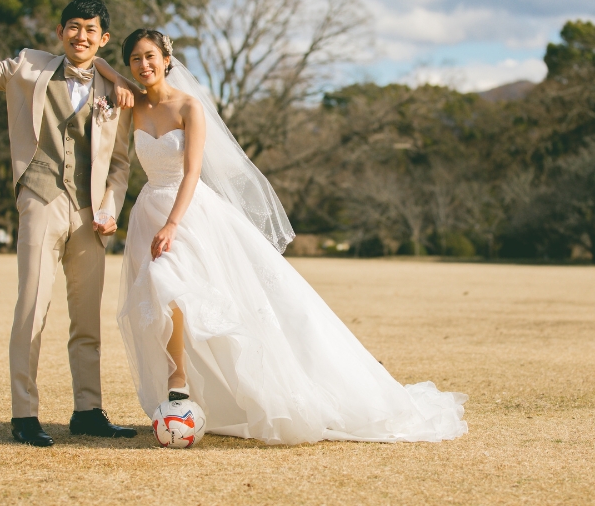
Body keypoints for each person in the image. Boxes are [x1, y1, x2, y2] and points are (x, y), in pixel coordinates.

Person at [101, 29, 468, 445]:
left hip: (187, 212)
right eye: (135, 59)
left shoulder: (189, 106)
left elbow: (191, 172)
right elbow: (99, 64)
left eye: (150, 56)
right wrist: (109, 73)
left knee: (174, 286)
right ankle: (193, 388)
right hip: (148, 208)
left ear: (167, 59)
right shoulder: (133, 104)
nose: (143, 65)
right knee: (162, 295)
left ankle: (179, 380)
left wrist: (172, 224)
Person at [0, 0, 139, 447]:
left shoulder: (116, 92)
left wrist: (109, 209)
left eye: (90, 30)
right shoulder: (28, 66)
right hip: (41, 198)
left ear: (103, 39)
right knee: (32, 307)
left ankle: (88, 410)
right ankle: (24, 414)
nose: (80, 36)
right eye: (73, 27)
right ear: (60, 31)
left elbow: (120, 165)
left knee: (87, 318)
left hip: (90, 213)